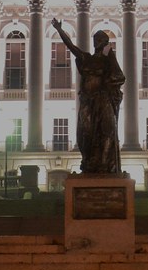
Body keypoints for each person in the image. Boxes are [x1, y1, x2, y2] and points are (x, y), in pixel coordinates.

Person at [52, 19, 125, 174]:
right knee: (85, 131)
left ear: (105, 43)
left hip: (103, 98)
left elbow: (119, 76)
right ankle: (89, 160)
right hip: (87, 100)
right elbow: (71, 46)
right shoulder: (86, 58)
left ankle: (104, 163)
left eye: (100, 40)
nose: (96, 42)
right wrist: (59, 30)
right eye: (95, 39)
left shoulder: (107, 61)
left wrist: (110, 55)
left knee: (107, 129)